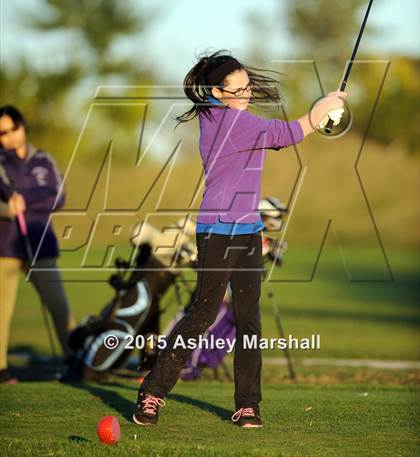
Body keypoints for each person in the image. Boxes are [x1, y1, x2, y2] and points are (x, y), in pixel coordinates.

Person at [132, 50, 347, 427]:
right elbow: (288, 133)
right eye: (240, 88)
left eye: (249, 86)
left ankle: (248, 405)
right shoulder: (227, 122)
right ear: (217, 91)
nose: (247, 93)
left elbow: (284, 134)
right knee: (203, 313)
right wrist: (324, 108)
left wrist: (321, 110)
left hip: (248, 231)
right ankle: (152, 392)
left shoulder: (232, 117)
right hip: (217, 231)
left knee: (249, 319)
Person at [0, 105, 76, 384]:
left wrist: (26, 200)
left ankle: (74, 360)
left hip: (40, 244)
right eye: (2, 133)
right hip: (5, 248)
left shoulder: (44, 160)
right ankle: (1, 370)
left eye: (12, 129)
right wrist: (7, 209)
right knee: (1, 312)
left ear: (23, 127)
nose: (8, 137)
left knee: (60, 307)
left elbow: (57, 196)